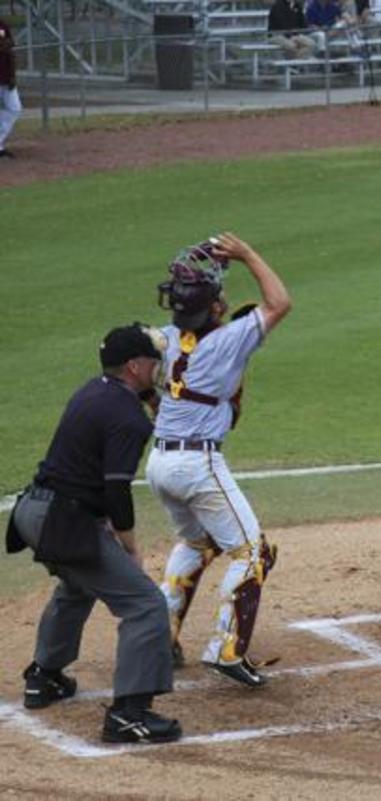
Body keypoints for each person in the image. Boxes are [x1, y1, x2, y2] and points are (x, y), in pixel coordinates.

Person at [5, 324, 182, 743]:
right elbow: (116, 488)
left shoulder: (94, 391)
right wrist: (130, 545)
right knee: (144, 605)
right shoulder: (128, 419)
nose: (158, 367)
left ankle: (44, 676)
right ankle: (129, 714)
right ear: (135, 366)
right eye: (153, 361)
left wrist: (151, 398)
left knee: (78, 584)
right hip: (64, 521)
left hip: (32, 511)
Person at [147, 232, 291, 689]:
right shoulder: (228, 341)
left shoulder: (165, 340)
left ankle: (159, 640)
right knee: (253, 555)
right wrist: (247, 253)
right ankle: (227, 650)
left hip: (159, 465)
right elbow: (279, 302)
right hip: (197, 467)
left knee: (196, 543)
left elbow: (152, 395)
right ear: (213, 309)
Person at [0, 16, 22, 158]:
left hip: (6, 78)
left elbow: (10, 47)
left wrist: (12, 76)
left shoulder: (2, 24)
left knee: (15, 108)